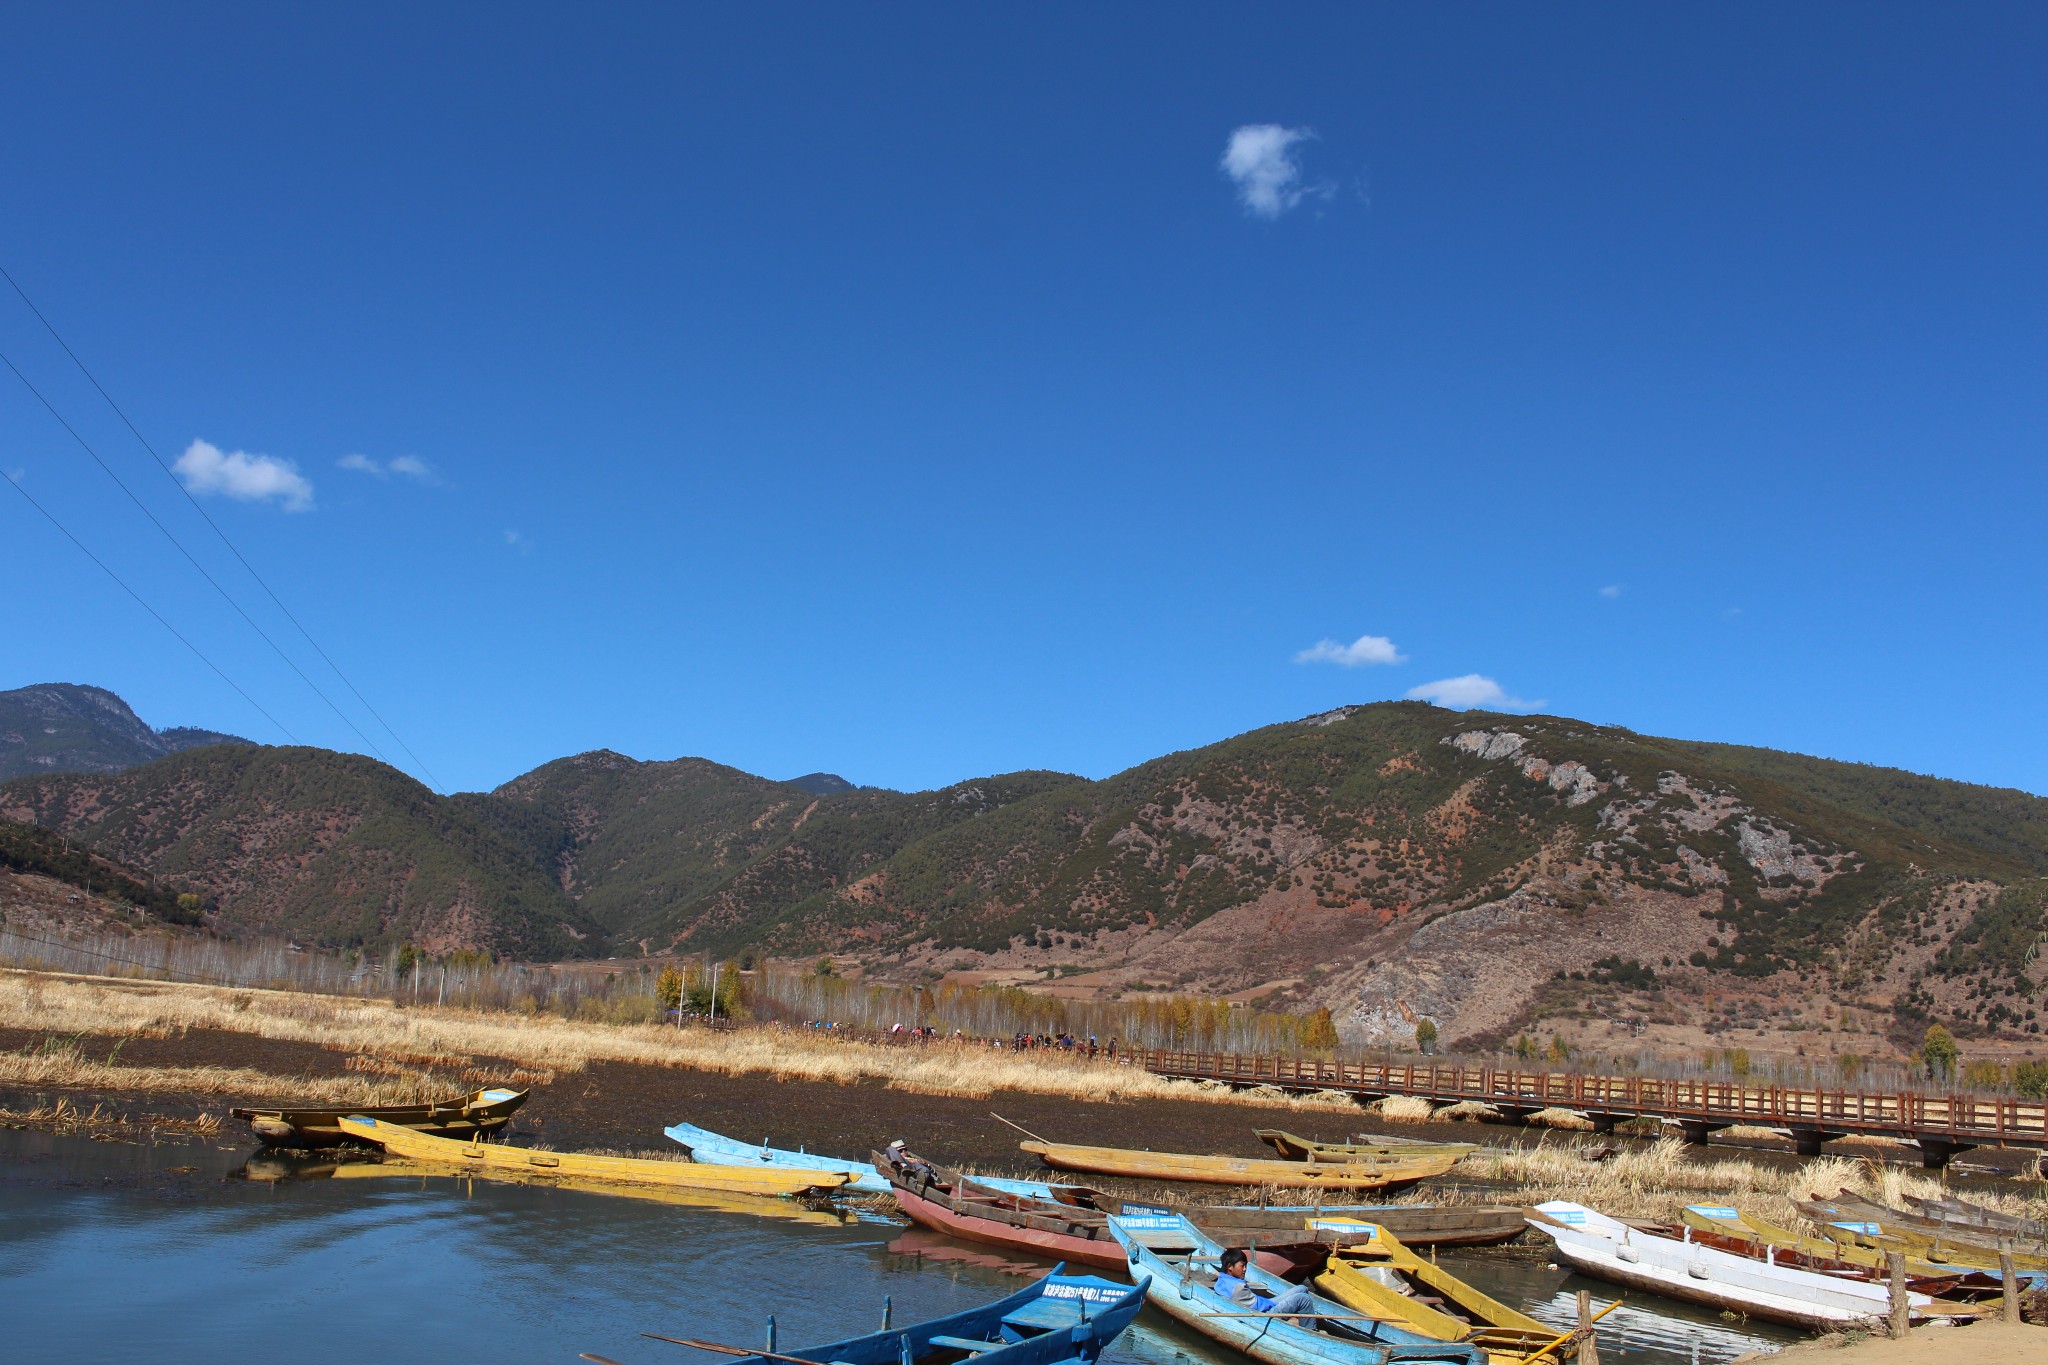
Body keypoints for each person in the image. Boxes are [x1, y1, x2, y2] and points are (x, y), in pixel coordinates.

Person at [1214, 1249, 1316, 1318]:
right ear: (1230, 1267)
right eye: (1242, 1266)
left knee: (1302, 1288)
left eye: (1245, 1266)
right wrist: (1277, 1304)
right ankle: (1310, 1330)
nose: (1245, 1269)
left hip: (1264, 1303)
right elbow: (1260, 1308)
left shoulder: (1222, 1278)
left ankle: (1303, 1317)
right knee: (1303, 1298)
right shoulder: (1239, 1288)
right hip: (1265, 1313)